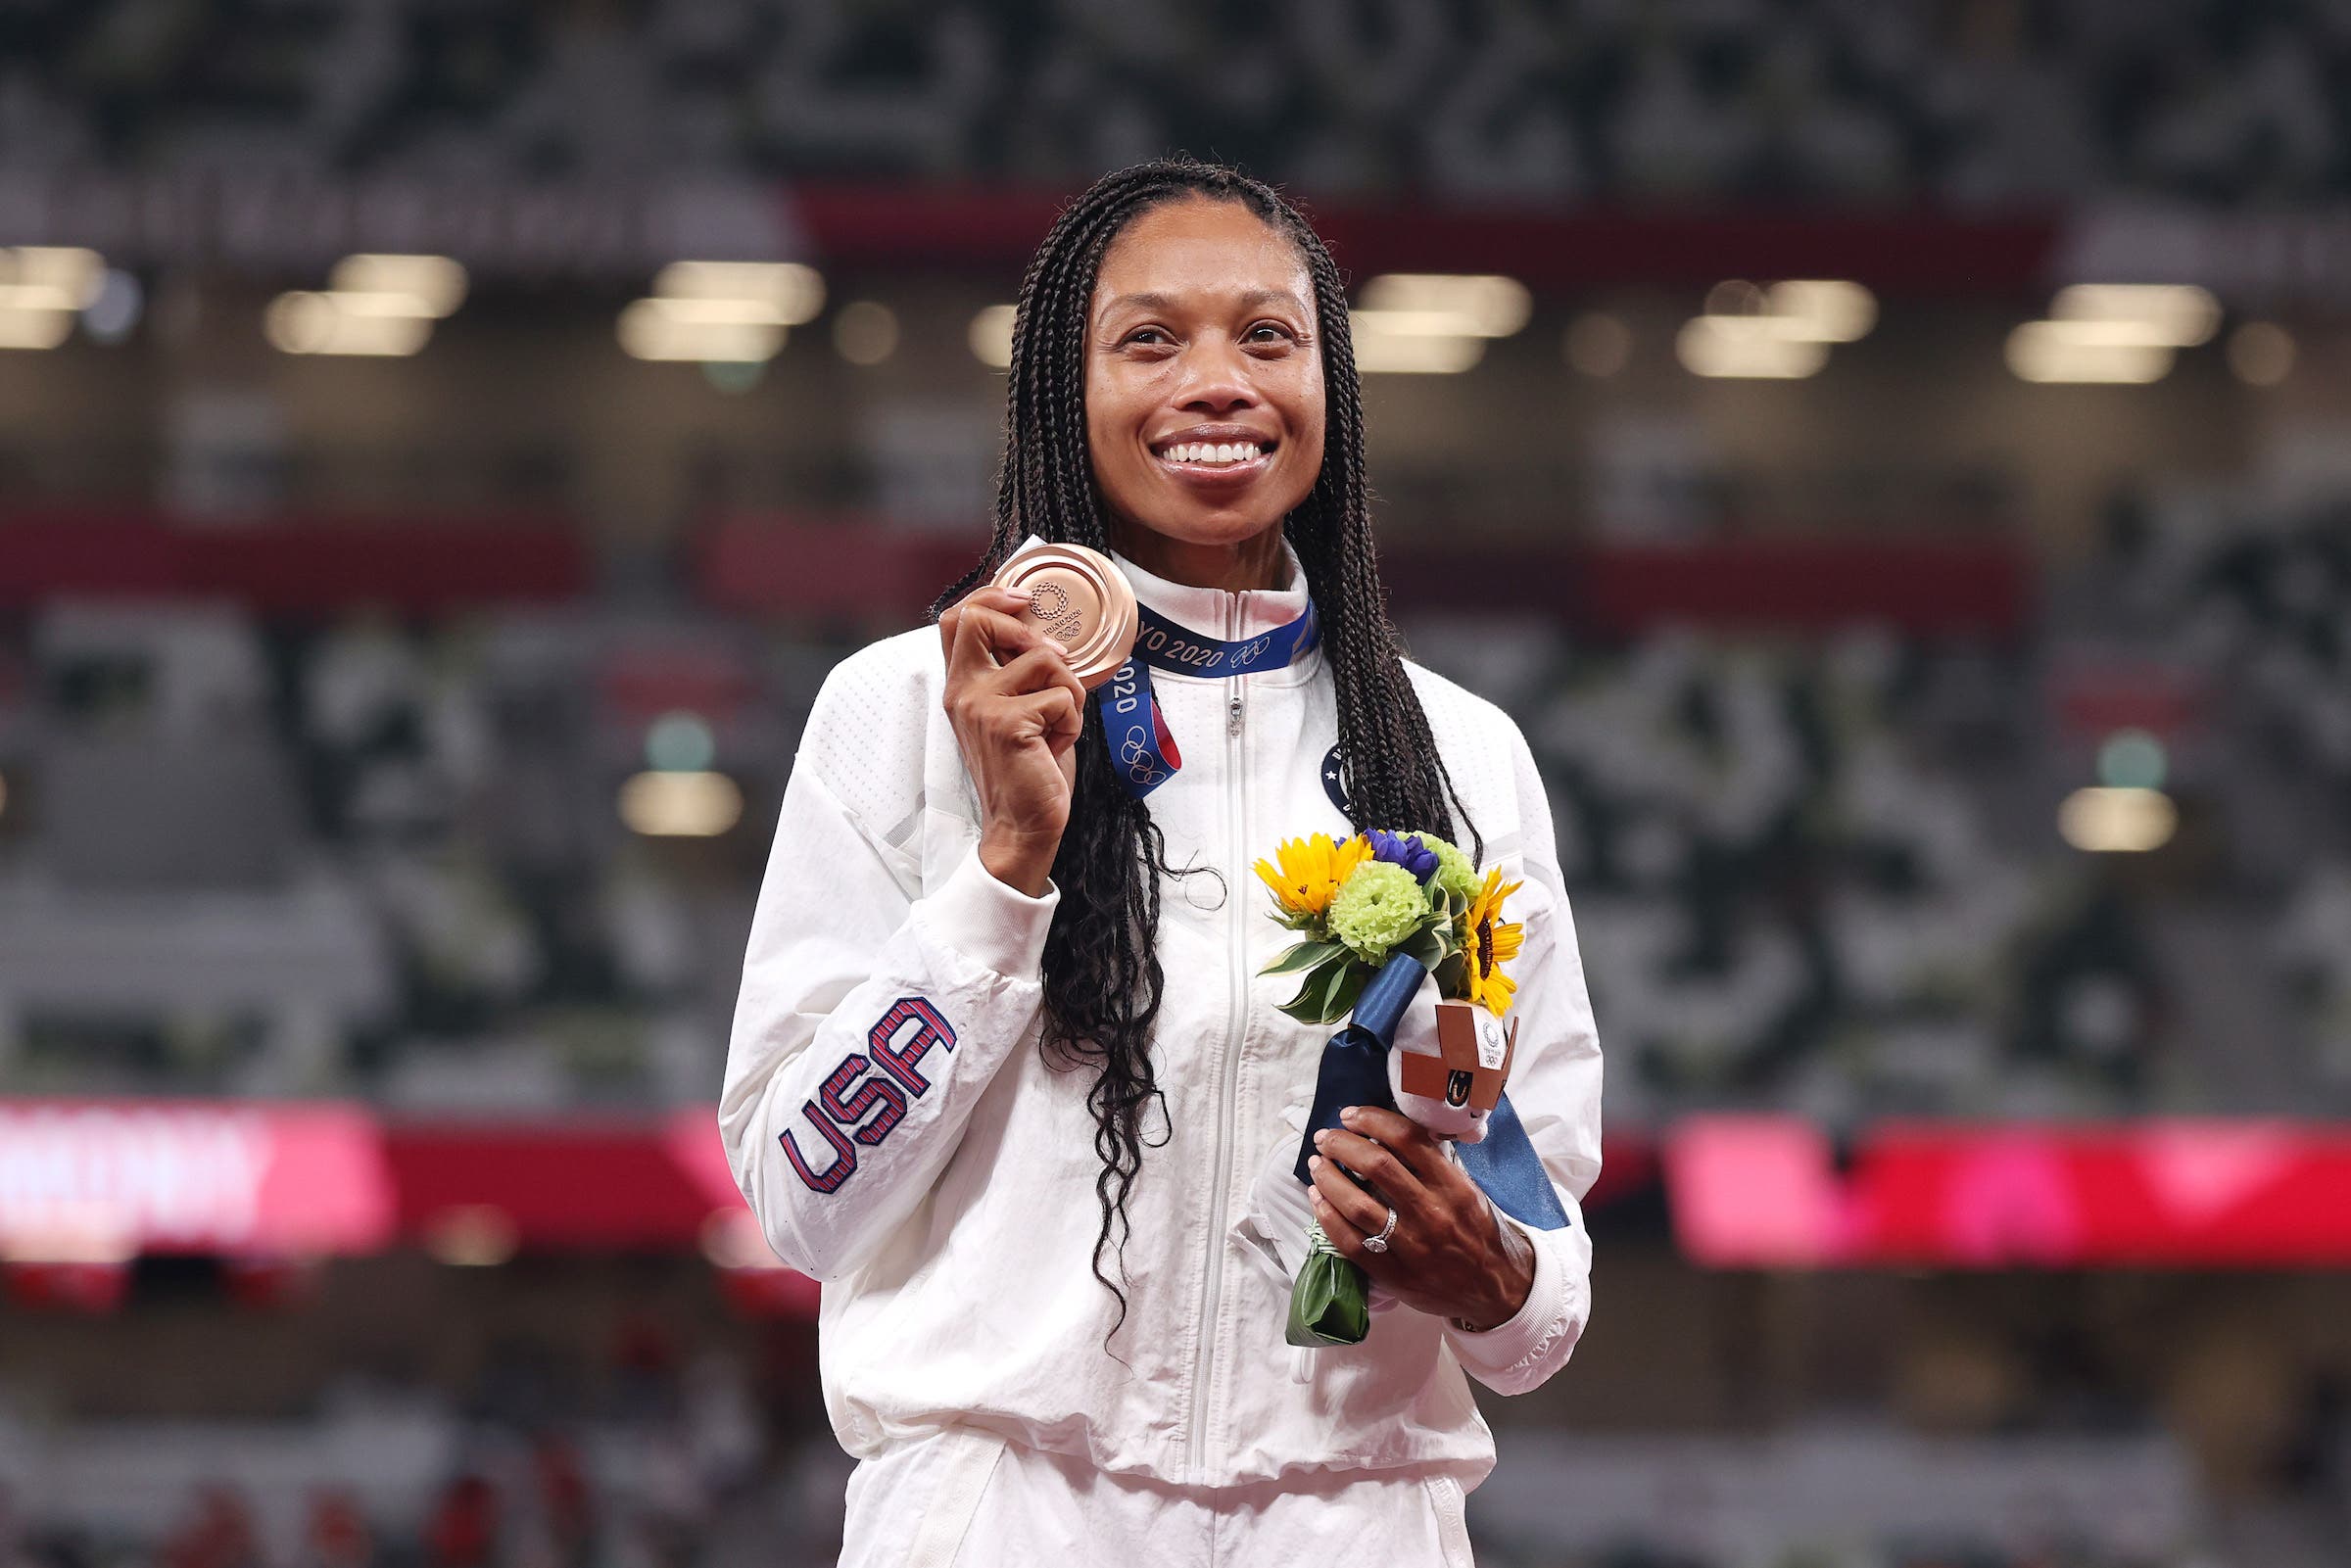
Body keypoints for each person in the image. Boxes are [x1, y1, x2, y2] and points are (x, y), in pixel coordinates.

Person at [722, 159, 1602, 1565]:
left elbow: (1543, 1251)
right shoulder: (904, 712)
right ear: (1061, 392)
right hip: (1001, 1507)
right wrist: (1008, 867)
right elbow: (804, 1194)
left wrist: (1494, 1277)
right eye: (1150, 339)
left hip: (1357, 1515)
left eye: (1267, 336)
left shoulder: (1459, 756)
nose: (1218, 382)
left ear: (1333, 387)